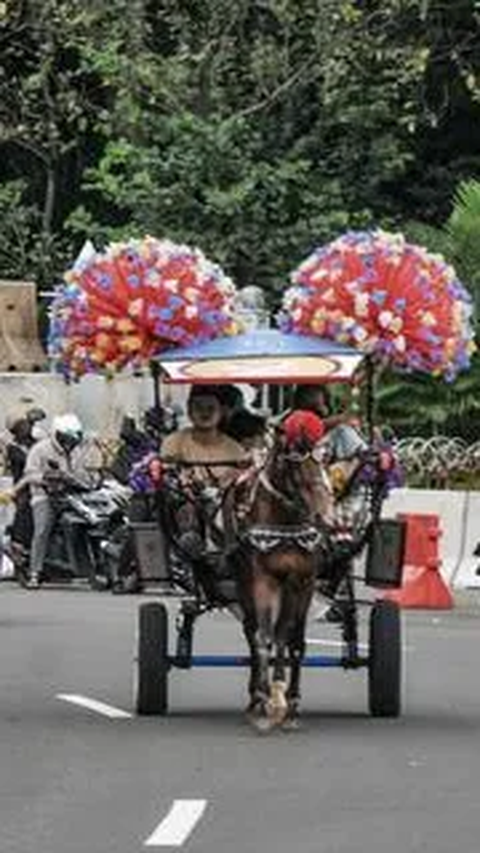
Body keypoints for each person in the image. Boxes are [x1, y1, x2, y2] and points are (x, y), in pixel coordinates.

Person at [14, 413, 91, 589]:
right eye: (68, 438)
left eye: (74, 439)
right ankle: (35, 572)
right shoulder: (40, 449)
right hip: (44, 496)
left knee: (88, 521)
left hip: (72, 496)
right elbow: (29, 474)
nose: (71, 443)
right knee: (42, 529)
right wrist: (47, 478)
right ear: (58, 434)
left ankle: (88, 567)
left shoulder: (76, 451)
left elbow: (82, 472)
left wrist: (85, 480)